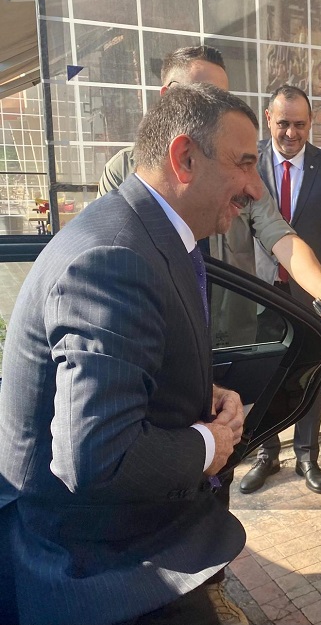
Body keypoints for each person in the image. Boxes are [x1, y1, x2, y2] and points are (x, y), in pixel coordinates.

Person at [0, 84, 261, 625]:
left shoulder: (146, 233)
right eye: (244, 163)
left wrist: (203, 393)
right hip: (96, 571)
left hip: (118, 537)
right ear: (185, 158)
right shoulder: (114, 258)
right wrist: (208, 444)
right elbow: (97, 454)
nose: (255, 187)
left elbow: (131, 362)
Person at [98, 46, 321, 347]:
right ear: (168, 97)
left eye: (224, 99)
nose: (220, 112)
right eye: (205, 98)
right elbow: (112, 267)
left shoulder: (238, 172)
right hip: (161, 342)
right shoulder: (125, 174)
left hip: (231, 339)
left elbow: (281, 236)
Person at [239, 86, 321, 496]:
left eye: (300, 124)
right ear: (268, 118)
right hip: (260, 292)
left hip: (312, 298)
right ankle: (266, 452)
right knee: (263, 374)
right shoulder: (246, 163)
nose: (291, 133)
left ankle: (307, 455)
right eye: (284, 123)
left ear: (311, 123)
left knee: (310, 376)